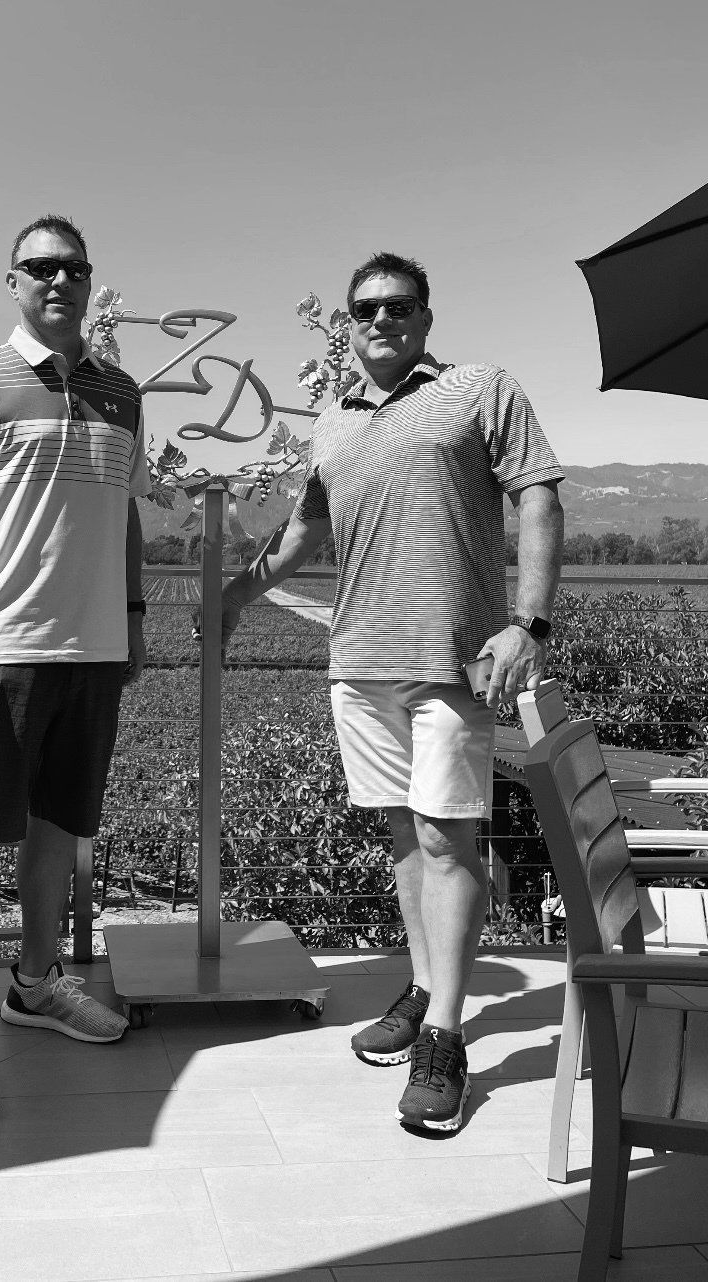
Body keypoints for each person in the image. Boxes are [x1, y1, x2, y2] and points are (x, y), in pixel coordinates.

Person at [222, 252, 564, 1132]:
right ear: (348, 323)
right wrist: (234, 596)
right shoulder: (333, 423)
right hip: (359, 666)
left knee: (451, 847)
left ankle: (444, 1039)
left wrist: (528, 622)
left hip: (454, 664)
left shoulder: (479, 390)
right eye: (365, 308)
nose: (381, 318)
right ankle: (423, 986)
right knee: (406, 843)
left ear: (425, 316)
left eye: (398, 304)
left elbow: (538, 496)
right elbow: (305, 525)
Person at [0, 213, 150, 1117]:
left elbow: (124, 514)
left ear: (90, 284)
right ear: (12, 282)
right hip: (0, 648)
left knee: (61, 824)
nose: (59, 281)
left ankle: (37, 984)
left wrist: (130, 617)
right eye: (40, 267)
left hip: (93, 653)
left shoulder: (122, 393)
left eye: (74, 268)